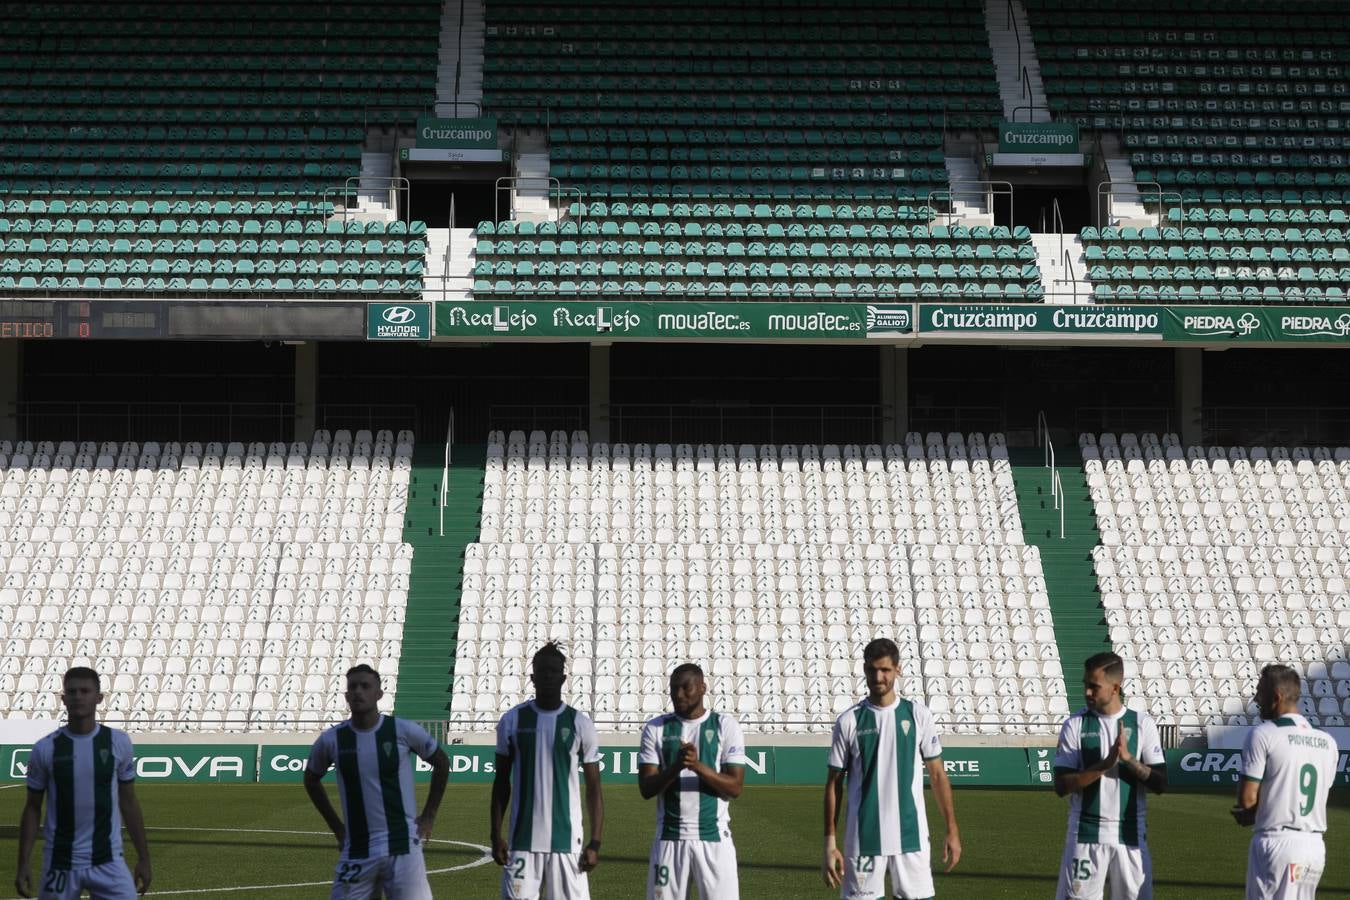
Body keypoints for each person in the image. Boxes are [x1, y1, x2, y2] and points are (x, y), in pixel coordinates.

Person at [823, 638, 961, 899]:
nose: (878, 676)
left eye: (885, 670)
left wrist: (951, 829)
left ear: (897, 670)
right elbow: (833, 784)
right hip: (863, 838)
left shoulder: (918, 715)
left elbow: (938, 775)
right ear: (864, 670)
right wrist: (829, 842)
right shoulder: (849, 721)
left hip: (911, 836)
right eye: (872, 669)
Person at [303, 664, 450, 900]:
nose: (359, 691)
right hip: (358, 848)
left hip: (403, 847)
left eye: (365, 686)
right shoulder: (332, 740)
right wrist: (338, 828)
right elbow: (311, 779)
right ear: (346, 696)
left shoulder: (402, 730)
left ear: (379, 694)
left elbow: (442, 761)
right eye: (353, 687)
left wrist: (429, 816)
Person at [15, 666, 151, 900]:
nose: (78, 696)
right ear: (63, 698)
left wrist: (144, 858)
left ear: (98, 698)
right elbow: (32, 807)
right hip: (60, 862)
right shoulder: (45, 748)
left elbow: (128, 802)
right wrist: (23, 863)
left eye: (85, 691)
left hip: (108, 860)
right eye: (72, 691)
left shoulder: (117, 742)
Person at [491, 643, 604, 899]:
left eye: (554, 670)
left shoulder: (580, 724)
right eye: (542, 670)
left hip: (567, 843)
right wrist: (495, 835)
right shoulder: (512, 721)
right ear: (532, 677)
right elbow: (501, 783)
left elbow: (594, 788)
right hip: (521, 843)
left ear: (564, 677)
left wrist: (595, 842)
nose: (548, 675)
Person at [1052, 651, 1167, 900]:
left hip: (1131, 837)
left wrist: (1128, 760)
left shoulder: (1142, 724)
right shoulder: (1075, 725)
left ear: (1115, 687)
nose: (1087, 693)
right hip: (1085, 836)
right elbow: (1061, 785)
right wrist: (1105, 765)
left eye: (1094, 687)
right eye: (1085, 685)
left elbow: (1160, 782)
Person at [638, 663, 748, 899]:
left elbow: (735, 787)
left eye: (686, 688)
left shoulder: (725, 726)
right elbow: (646, 789)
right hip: (668, 839)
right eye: (674, 689)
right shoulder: (656, 728)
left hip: (714, 840)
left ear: (702, 688)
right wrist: (676, 766)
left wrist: (696, 766)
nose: (679, 695)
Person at [1233, 663, 1338, 900]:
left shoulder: (1264, 734)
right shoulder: (1327, 742)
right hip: (1313, 847)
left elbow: (1247, 798)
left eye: (1260, 692)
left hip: (1277, 843)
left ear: (1277, 696)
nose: (1256, 699)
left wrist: (1250, 813)